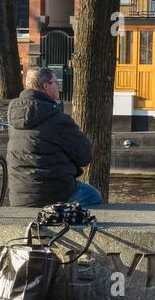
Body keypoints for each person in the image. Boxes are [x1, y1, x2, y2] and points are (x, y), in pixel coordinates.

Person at [6, 66, 100, 208]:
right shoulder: (57, 119)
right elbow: (85, 156)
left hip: (18, 195)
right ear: (46, 86)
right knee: (93, 195)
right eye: (56, 83)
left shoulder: (14, 119)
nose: (58, 87)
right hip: (52, 194)